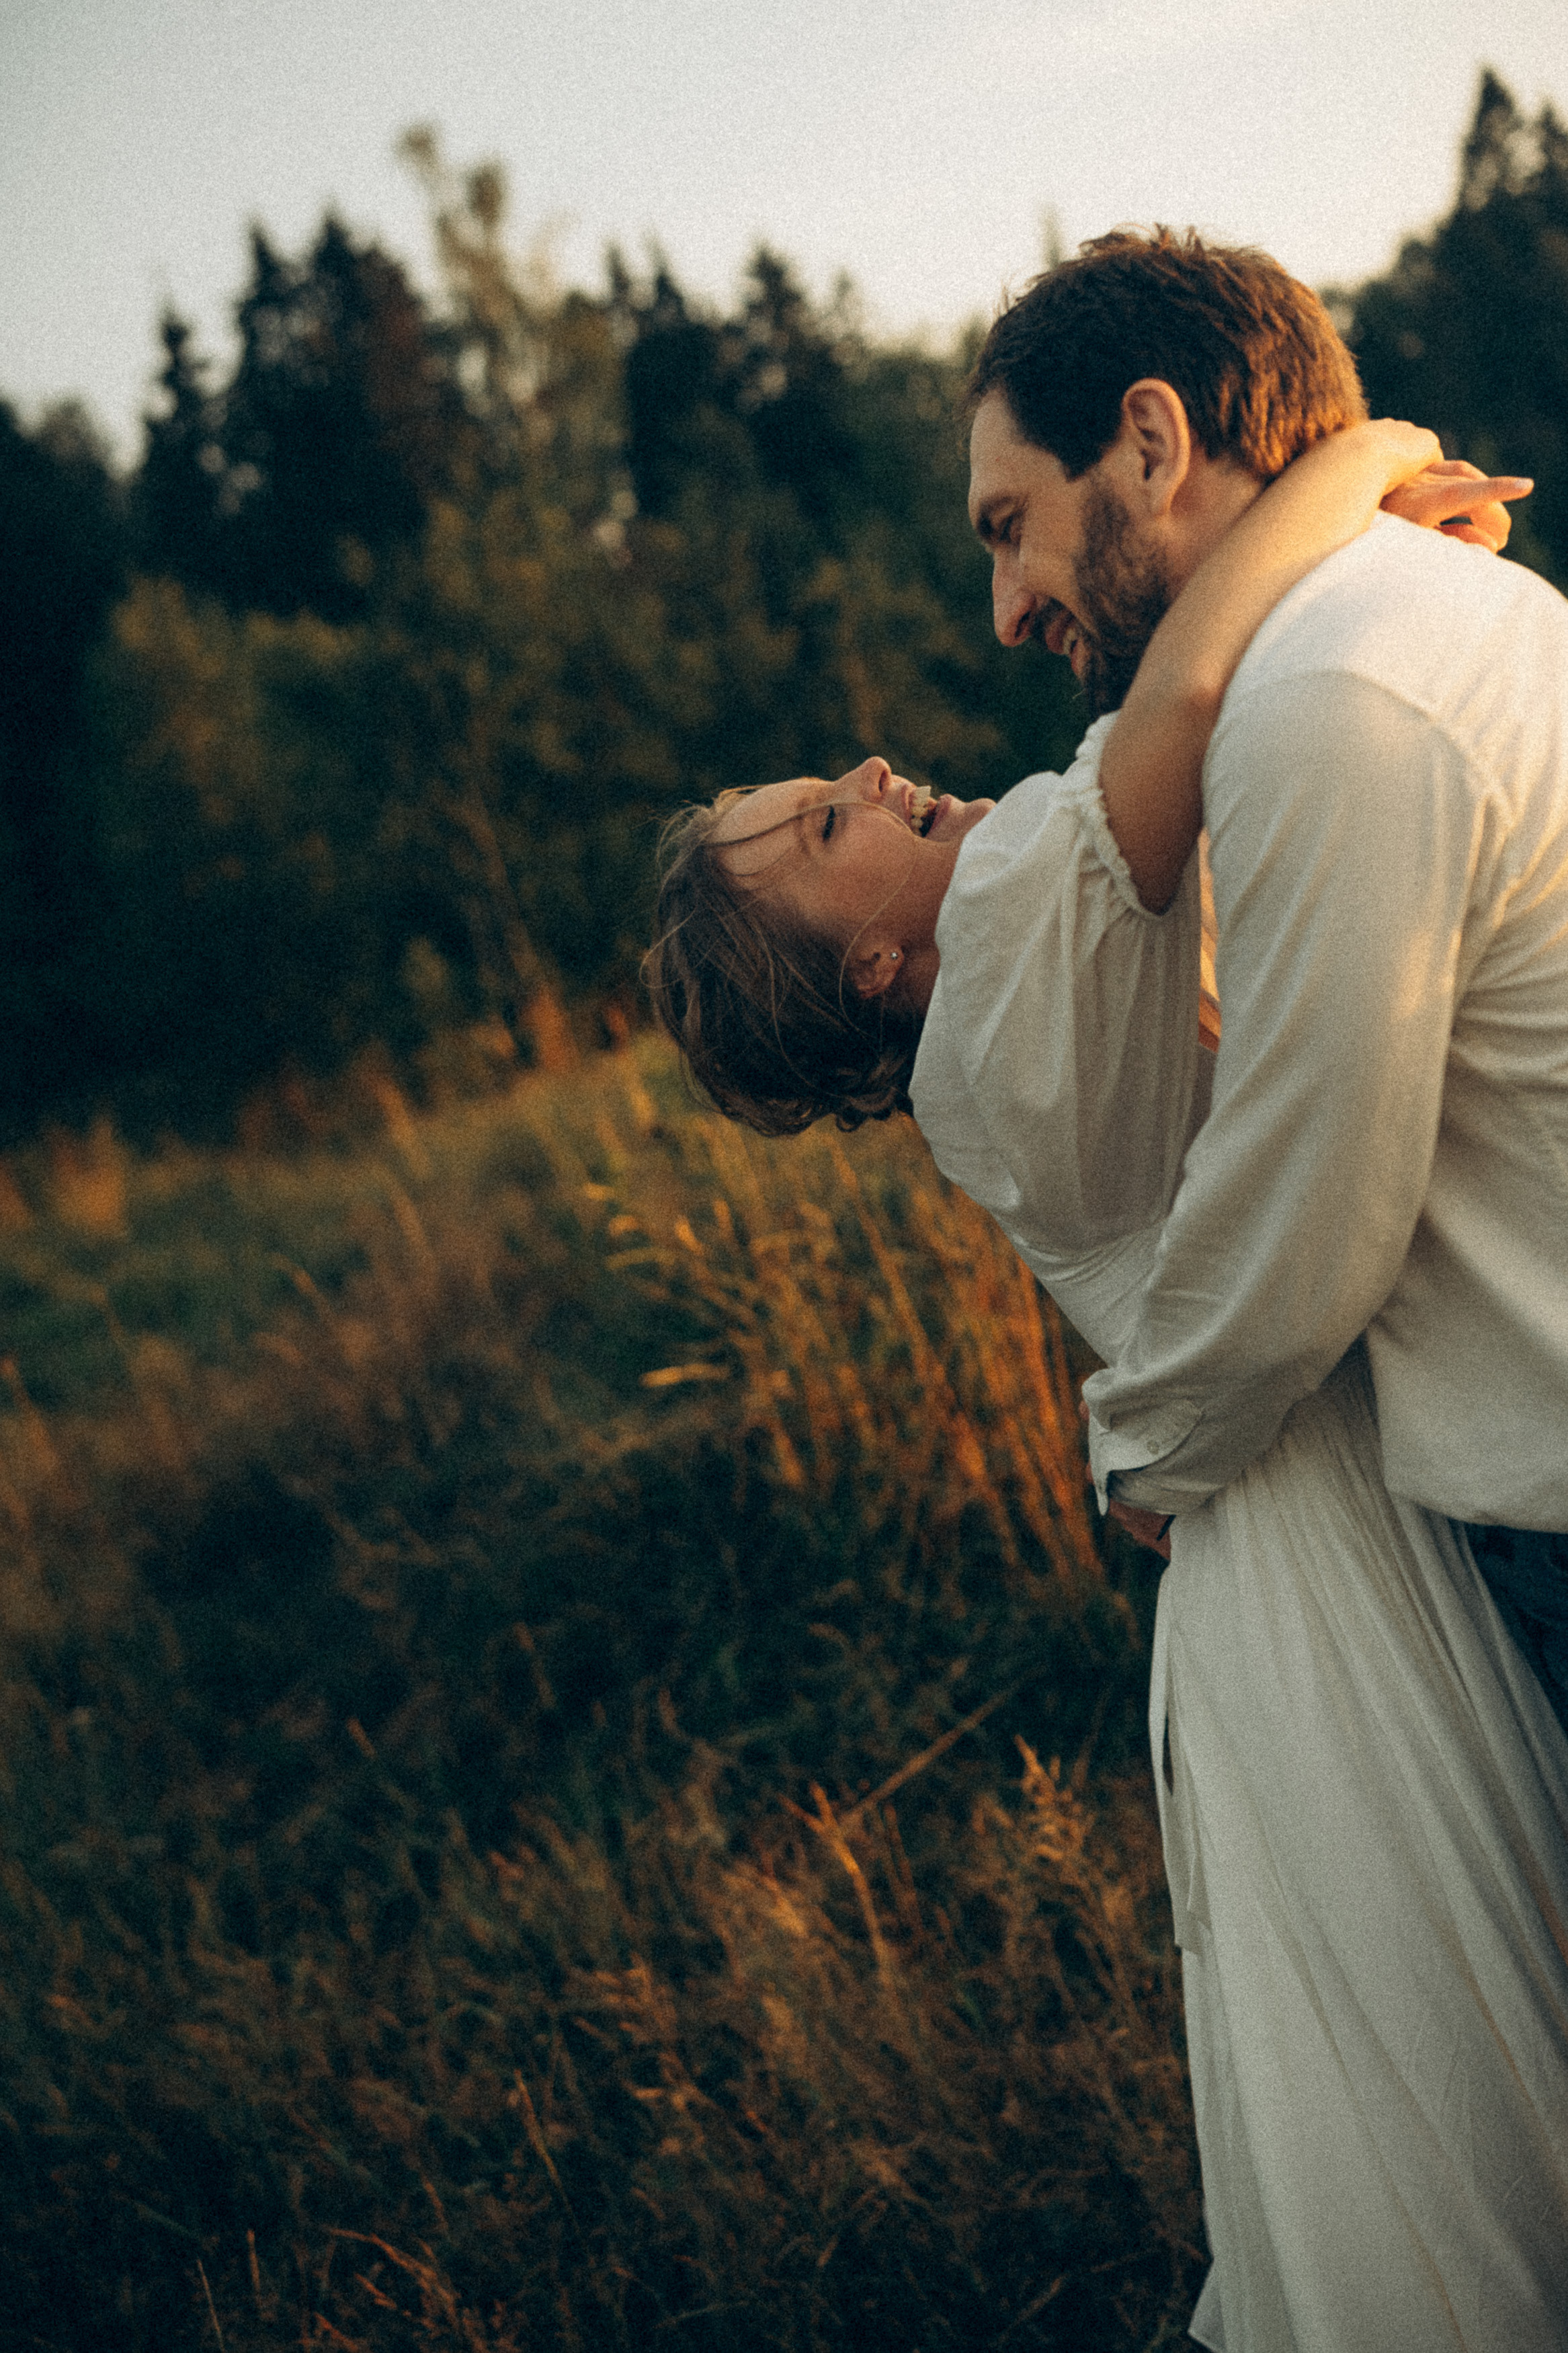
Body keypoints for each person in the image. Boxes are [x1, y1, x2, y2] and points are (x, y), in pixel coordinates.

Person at [645, 423, 1568, 2350]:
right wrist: (1362, 456)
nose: (873, 778)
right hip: (1309, 1537)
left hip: (1279, 1496)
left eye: (821, 788)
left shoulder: (1004, 973)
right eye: (826, 826)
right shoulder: (1001, 945)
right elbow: (1188, 678)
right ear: (876, 961)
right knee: (1448, 2066)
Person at [963, 229, 1568, 1734]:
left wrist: (1141, 1450)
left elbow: (1317, 1193)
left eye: (1009, 524)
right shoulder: (1438, 609)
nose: (1008, 605)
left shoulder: (1328, 696)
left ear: (1151, 441)